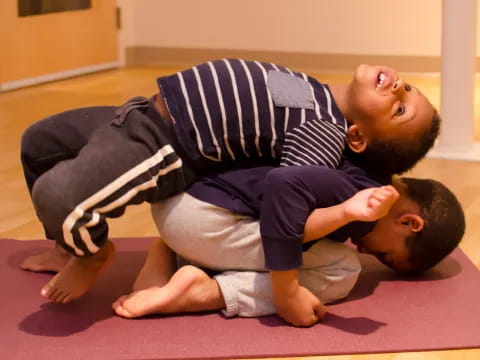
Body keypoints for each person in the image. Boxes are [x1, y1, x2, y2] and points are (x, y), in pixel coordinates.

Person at [20, 59, 440, 304]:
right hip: (139, 111)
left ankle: (90, 254)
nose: (399, 87)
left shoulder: (325, 132)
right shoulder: (316, 91)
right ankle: (65, 244)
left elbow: (290, 197)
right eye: (410, 88)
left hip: (163, 144)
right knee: (38, 143)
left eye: (400, 108)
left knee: (61, 195)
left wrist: (288, 284)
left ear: (358, 137)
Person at [111, 173, 465, 327]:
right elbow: (286, 214)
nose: (370, 254)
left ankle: (170, 253)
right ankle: (208, 290)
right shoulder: (360, 192)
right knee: (342, 269)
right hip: (204, 223)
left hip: (180, 203)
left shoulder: (365, 164)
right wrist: (285, 291)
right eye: (386, 256)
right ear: (409, 223)